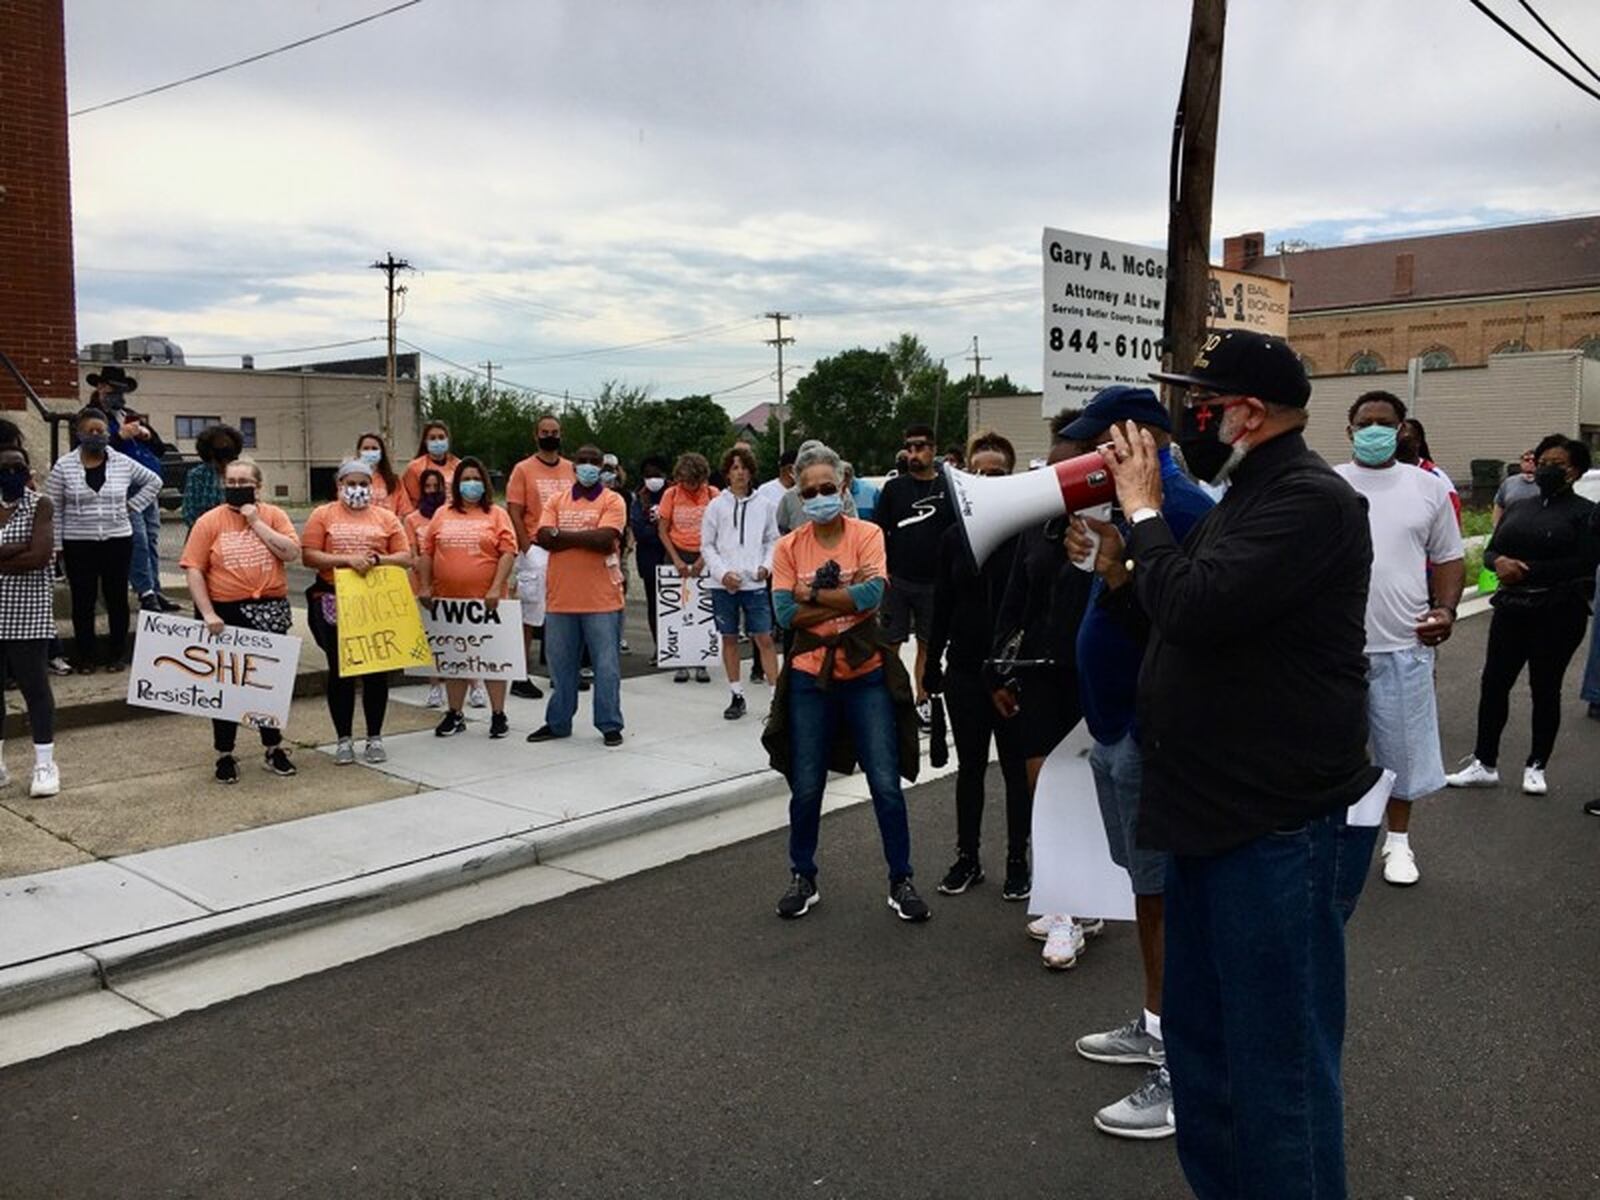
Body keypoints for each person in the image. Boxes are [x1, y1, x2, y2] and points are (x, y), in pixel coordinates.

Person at [1105, 329, 1378, 1196]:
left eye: (1205, 401)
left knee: (1278, 1068)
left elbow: (1198, 602)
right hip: (1212, 816)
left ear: (1248, 414)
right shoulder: (1250, 494)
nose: (1191, 416)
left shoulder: (1311, 500)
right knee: (1206, 1050)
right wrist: (1121, 573)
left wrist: (1146, 514)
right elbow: (1186, 616)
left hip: (1272, 828)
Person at [1061, 386, 1214, 1141]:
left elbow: (1184, 625)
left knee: (1170, 900)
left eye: (1103, 442)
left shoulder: (1178, 510)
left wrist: (1118, 572)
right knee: (1147, 894)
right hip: (1119, 727)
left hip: (1153, 735)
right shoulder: (1131, 506)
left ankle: (1184, 1069)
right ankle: (1158, 1023)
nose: (1093, 456)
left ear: (1144, 438)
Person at [765, 440, 928, 923]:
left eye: (828, 487)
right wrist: (843, 598)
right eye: (809, 489)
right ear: (796, 491)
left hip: (866, 675)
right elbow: (784, 612)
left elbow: (874, 594)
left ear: (843, 486)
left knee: (885, 782)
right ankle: (803, 874)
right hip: (810, 679)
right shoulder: (787, 546)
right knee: (807, 783)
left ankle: (901, 878)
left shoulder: (868, 534)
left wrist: (812, 591)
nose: (819, 496)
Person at [1333, 391, 1464, 886]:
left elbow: (1449, 557)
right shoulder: (1330, 483)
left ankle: (1398, 843)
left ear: (1402, 428)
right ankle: (1337, 840)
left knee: (1400, 753)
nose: (1374, 430)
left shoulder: (1426, 487)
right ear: (1349, 431)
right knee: (1332, 753)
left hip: (1403, 644)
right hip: (1336, 649)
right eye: (1364, 422)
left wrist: (1446, 610)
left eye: (1383, 422)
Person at [991, 414, 1094, 969]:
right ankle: (1065, 912)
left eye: (1069, 471)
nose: (1059, 482)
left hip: (1092, 675)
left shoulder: (1112, 526)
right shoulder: (1037, 528)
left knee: (1085, 793)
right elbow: (1015, 602)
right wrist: (998, 674)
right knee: (1044, 789)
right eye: (1052, 472)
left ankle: (1083, 902)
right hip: (1038, 673)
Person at [1446, 435, 1598, 796]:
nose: (1545, 468)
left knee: (1545, 687)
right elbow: (1492, 549)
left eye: (1556, 464)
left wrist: (1526, 571)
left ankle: (1536, 765)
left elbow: (1583, 564)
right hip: (1513, 609)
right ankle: (1484, 762)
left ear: (1574, 471)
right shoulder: (1520, 506)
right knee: (1494, 683)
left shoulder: (1585, 514)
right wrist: (1498, 562)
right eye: (1542, 461)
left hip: (1559, 612)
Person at [922, 432, 1030, 898]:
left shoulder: (1026, 536)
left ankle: (1017, 861)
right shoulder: (951, 537)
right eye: (979, 473)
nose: (987, 480)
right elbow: (941, 604)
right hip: (964, 668)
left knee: (1014, 769)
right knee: (969, 769)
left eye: (997, 474)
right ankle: (967, 857)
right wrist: (930, 665)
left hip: (1010, 673)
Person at [179, 457, 302, 783]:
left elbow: (291, 553)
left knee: (268, 686)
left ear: (257, 486)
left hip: (269, 610)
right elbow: (194, 568)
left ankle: (273, 747)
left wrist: (256, 522)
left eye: (243, 482)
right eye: (230, 483)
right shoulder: (209, 521)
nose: (236, 488)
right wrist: (207, 613)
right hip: (226, 612)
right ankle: (224, 753)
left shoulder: (275, 515)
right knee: (227, 689)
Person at [301, 459, 413, 765]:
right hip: (333, 598)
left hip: (375, 601)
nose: (357, 489)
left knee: (377, 671)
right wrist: (346, 559)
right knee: (341, 670)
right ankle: (344, 739)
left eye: (363, 484)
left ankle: (374, 737)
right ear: (339, 486)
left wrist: (377, 561)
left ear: (372, 486)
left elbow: (405, 557)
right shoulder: (323, 514)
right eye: (350, 484)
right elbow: (309, 555)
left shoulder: (387, 517)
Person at [45, 406, 163, 673]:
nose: (96, 435)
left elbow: (153, 482)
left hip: (117, 541)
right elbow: (55, 508)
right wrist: (57, 547)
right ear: (79, 434)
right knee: (83, 601)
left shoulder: (122, 462)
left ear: (108, 433)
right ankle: (86, 657)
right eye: (90, 431)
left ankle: (116, 655)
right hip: (78, 543)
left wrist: (132, 506)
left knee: (117, 599)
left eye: (101, 430)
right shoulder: (63, 466)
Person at [526, 444, 628, 747]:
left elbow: (606, 539)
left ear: (602, 467)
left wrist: (562, 537)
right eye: (581, 461)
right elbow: (543, 536)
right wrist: (585, 537)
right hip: (560, 599)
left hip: (602, 601)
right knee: (561, 668)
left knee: (606, 667)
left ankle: (609, 724)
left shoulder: (613, 500)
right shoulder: (557, 499)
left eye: (593, 462)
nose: (587, 466)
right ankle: (557, 723)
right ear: (574, 467)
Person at [418, 457, 518, 739]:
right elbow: (427, 551)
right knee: (455, 660)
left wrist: (496, 587)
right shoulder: (442, 514)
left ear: (484, 483)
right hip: (450, 602)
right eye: (465, 479)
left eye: (476, 479)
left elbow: (508, 551)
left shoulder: (496, 514)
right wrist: (425, 585)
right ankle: (455, 713)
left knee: (493, 659)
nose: (470, 484)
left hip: (488, 602)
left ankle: (498, 714)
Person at [874, 422, 952, 726]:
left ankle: (924, 699)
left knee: (928, 645)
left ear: (933, 450)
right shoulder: (894, 488)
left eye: (920, 446)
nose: (914, 453)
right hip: (898, 580)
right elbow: (879, 532)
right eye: (909, 447)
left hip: (935, 583)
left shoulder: (947, 488)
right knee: (890, 644)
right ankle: (893, 698)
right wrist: (882, 571)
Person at [90, 367, 179, 615]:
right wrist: (118, 436)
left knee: (150, 536)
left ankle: (155, 589)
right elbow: (88, 449)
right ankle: (145, 592)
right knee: (137, 537)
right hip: (120, 484)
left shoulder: (129, 414)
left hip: (147, 482)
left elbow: (160, 447)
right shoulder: (92, 417)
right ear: (100, 387)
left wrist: (145, 434)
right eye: (112, 389)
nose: (118, 394)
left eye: (121, 390)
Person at [701, 445, 780, 719]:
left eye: (744, 467)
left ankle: (775, 698)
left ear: (751, 472)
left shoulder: (765, 505)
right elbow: (707, 546)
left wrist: (766, 567)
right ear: (726, 473)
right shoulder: (715, 506)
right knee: (730, 637)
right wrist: (722, 573)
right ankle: (736, 694)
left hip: (754, 583)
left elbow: (773, 539)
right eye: (734, 468)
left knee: (764, 638)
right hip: (724, 585)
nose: (740, 473)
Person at [0, 443, 60, 797]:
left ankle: (44, 762)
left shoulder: (41, 504)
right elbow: (26, 551)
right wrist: (15, 548)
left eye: (17, 467)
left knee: (35, 687)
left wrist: (20, 552)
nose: (10, 474)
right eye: (4, 468)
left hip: (28, 611)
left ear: (27, 471)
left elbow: (38, 556)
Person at [506, 414, 575, 701]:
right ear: (536, 436)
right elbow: (514, 510)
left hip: (567, 548)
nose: (550, 436)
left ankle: (562, 673)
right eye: (545, 432)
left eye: (555, 431)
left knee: (565, 613)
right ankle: (520, 675)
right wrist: (525, 547)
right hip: (536, 548)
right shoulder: (523, 469)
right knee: (530, 614)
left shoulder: (571, 469)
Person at [658, 452, 720, 683]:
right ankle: (680, 661)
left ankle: (702, 660)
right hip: (677, 552)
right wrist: (676, 560)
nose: (689, 486)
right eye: (685, 481)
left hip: (706, 554)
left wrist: (703, 560)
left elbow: (719, 530)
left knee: (705, 609)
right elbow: (663, 530)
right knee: (677, 609)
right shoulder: (671, 494)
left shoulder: (713, 494)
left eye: (694, 482)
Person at [404, 467, 449, 709]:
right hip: (421, 582)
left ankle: (473, 685)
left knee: (456, 635)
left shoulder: (451, 515)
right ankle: (435, 686)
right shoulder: (412, 519)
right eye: (428, 487)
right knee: (430, 637)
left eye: (436, 487)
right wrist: (425, 582)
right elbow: (413, 554)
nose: (432, 491)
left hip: (449, 582)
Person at [632, 455, 670, 654]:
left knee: (673, 604)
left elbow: (677, 528)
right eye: (649, 475)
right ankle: (659, 646)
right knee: (654, 605)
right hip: (648, 559)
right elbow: (639, 530)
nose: (653, 479)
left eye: (657, 475)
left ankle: (674, 645)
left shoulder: (672, 495)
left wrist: (660, 531)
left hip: (671, 557)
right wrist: (661, 532)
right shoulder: (639, 498)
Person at [1396, 417, 1461, 525]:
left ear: (1418, 442)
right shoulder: (1383, 473)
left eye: (1405, 440)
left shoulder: (1435, 478)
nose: (1399, 443)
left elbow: (1452, 518)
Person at [183, 423, 243, 530]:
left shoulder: (244, 472)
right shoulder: (197, 475)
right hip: (204, 532)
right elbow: (189, 513)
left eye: (229, 456)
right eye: (219, 457)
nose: (224, 463)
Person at [398, 421, 460, 517]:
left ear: (447, 440)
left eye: (441, 437)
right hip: (426, 518)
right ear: (425, 441)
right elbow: (412, 501)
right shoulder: (415, 467)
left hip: (455, 516)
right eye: (432, 438)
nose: (437, 441)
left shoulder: (458, 465)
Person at [354, 431, 402, 513]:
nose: (370, 452)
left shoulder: (393, 480)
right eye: (366, 448)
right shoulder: (350, 480)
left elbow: (403, 510)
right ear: (359, 452)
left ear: (381, 452)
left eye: (374, 448)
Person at [1493, 449, 1540, 528]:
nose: (1530, 462)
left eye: (1534, 460)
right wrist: (1496, 527)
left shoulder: (1545, 483)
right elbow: (1499, 506)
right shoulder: (1508, 483)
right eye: (1527, 460)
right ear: (1521, 463)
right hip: (1511, 529)